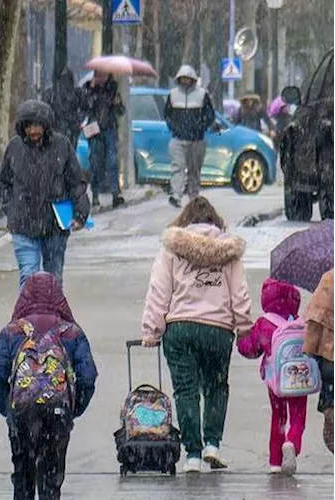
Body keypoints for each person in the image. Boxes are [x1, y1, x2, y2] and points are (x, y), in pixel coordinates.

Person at [0, 272, 97, 500]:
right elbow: (88, 377)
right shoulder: (70, 332)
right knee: (50, 480)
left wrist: (8, 411)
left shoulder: (13, 331)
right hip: (56, 413)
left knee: (22, 476)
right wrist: (72, 410)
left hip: (22, 413)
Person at [140, 197, 252, 474]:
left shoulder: (172, 250)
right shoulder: (229, 251)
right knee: (216, 386)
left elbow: (159, 292)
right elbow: (239, 294)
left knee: (185, 390)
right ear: (215, 222)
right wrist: (245, 327)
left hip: (180, 328)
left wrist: (152, 331)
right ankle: (213, 444)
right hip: (218, 329)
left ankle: (192, 454)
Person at [0, 99, 91, 287]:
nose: (33, 131)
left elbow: (77, 183)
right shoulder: (14, 148)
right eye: (29, 126)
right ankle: (28, 315)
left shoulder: (62, 145)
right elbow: (3, 182)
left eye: (38, 126)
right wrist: (11, 208)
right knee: (29, 277)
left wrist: (80, 215)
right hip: (23, 225)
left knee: (53, 280)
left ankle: (53, 315)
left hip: (55, 226)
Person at [237, 278, 307, 475]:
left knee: (278, 418)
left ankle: (275, 463)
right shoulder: (300, 323)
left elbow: (251, 350)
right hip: (298, 379)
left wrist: (241, 337)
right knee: (297, 417)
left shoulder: (264, 323)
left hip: (275, 380)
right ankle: (292, 443)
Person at [164, 65, 219, 208]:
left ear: (193, 79)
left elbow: (209, 115)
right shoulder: (173, 94)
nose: (185, 81)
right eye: (183, 78)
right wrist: (174, 128)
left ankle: (193, 197)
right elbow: (167, 115)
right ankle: (176, 195)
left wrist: (200, 127)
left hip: (197, 140)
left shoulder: (202, 94)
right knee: (177, 167)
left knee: (194, 170)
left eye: (188, 78)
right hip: (178, 138)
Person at [82, 71, 126, 209]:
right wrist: (91, 92)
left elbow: (121, 110)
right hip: (94, 130)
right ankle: (95, 194)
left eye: (103, 75)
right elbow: (84, 107)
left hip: (109, 128)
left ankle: (115, 194)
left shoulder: (112, 89)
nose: (101, 78)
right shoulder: (88, 89)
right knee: (95, 162)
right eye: (98, 75)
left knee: (112, 161)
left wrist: (117, 104)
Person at [303, 269, 335, 455]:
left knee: (330, 407)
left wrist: (309, 351)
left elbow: (315, 321)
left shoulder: (329, 279)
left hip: (330, 355)